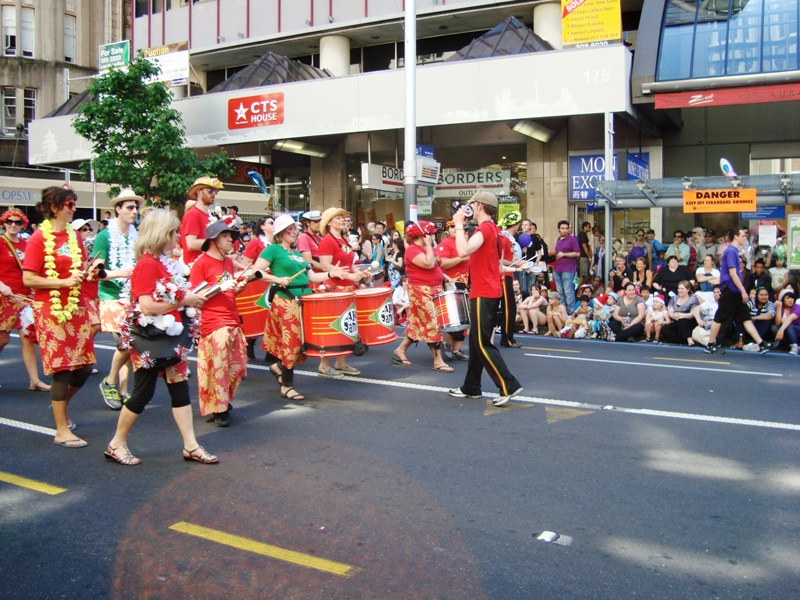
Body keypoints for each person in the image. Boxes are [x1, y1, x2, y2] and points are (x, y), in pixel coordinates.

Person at [104, 209, 215, 466]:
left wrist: (186, 299)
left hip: (169, 339)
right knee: (142, 393)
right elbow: (146, 306)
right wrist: (185, 299)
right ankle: (116, 444)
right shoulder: (147, 264)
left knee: (180, 391)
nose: (178, 236)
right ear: (162, 234)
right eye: (174, 232)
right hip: (150, 341)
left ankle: (191, 446)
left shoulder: (162, 262)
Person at [22, 186, 97, 448]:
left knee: (85, 367)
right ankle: (61, 429)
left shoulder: (74, 236)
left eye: (74, 204)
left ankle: (60, 409)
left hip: (75, 307)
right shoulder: (38, 239)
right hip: (51, 310)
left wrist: (89, 272)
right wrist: (63, 282)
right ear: (54, 208)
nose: (73, 209)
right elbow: (28, 277)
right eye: (69, 204)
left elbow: (80, 268)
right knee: (62, 370)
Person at [253, 215, 348, 400]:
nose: (293, 232)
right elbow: (256, 272)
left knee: (303, 343)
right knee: (292, 343)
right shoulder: (272, 250)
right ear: (280, 233)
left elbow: (312, 277)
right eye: (289, 229)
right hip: (286, 301)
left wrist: (331, 272)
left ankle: (279, 367)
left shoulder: (296, 254)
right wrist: (276, 279)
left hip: (303, 300)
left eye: (294, 229)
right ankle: (287, 386)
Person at [448, 191, 522, 406]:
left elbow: (462, 251)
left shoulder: (485, 229)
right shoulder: (496, 231)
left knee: (481, 343)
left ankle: (508, 385)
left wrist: (459, 224)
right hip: (489, 290)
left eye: (472, 205)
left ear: (479, 206)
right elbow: (498, 265)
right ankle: (471, 387)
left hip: (483, 292)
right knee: (475, 342)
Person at [189, 221, 248, 426]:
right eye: (225, 236)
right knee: (219, 366)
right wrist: (220, 286)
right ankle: (219, 408)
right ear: (213, 240)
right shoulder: (201, 263)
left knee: (238, 365)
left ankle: (221, 399)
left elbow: (227, 292)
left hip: (232, 318)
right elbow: (195, 296)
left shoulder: (228, 262)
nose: (231, 239)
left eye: (230, 236)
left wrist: (237, 288)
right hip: (213, 320)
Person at [94, 188, 142, 410]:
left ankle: (122, 391)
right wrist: (120, 273)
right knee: (126, 342)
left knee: (128, 346)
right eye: (130, 207)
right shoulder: (104, 236)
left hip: (132, 295)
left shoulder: (136, 234)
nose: (134, 211)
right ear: (118, 209)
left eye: (136, 207)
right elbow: (98, 270)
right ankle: (109, 381)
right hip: (112, 295)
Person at [391, 220, 453, 372]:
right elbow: (429, 264)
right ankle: (438, 360)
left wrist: (442, 274)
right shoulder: (413, 250)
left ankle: (400, 349)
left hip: (433, 288)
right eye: (431, 233)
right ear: (423, 235)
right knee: (433, 322)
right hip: (421, 290)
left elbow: (437, 262)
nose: (433, 236)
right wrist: (430, 246)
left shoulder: (425, 248)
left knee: (418, 323)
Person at [0, 209, 50, 392]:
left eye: (18, 222)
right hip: (4, 297)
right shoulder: (0, 242)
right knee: (3, 339)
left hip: (25, 297)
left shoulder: (26, 244)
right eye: (10, 221)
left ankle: (34, 380)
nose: (13, 225)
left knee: (27, 337)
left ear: (23, 224)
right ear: (4, 223)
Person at [705, 227, 776, 355]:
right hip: (731, 290)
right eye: (743, 235)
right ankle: (710, 344)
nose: (745, 238)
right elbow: (733, 274)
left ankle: (761, 344)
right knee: (719, 318)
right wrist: (743, 290)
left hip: (734, 290)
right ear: (735, 236)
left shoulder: (734, 251)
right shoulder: (731, 251)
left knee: (745, 318)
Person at [317, 207, 368, 377]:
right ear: (329, 222)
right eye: (338, 218)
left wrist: (359, 273)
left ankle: (341, 362)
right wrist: (348, 274)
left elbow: (349, 263)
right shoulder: (327, 241)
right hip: (335, 287)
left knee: (347, 326)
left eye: (342, 218)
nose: (342, 220)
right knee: (333, 327)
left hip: (347, 287)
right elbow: (325, 266)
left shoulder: (343, 241)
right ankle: (324, 365)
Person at [435, 220, 470, 361]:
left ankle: (457, 349)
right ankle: (447, 344)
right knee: (454, 318)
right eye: (452, 226)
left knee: (465, 318)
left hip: (466, 283)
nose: (456, 229)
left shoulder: (465, 243)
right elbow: (442, 262)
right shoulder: (446, 244)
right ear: (448, 229)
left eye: (459, 226)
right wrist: (461, 257)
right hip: (452, 284)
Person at [179, 176, 223, 268]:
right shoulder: (193, 214)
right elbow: (191, 244)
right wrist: (217, 242)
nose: (214, 193)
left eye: (216, 191)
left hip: (209, 266)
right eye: (210, 190)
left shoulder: (209, 215)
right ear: (199, 192)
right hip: (195, 268)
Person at [498, 211, 523, 348]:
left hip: (506, 274)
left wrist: (523, 263)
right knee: (509, 308)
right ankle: (507, 338)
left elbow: (510, 258)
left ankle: (507, 337)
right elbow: (504, 260)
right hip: (503, 276)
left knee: (509, 307)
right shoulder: (505, 238)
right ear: (517, 225)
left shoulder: (505, 237)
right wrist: (521, 264)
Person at [660, 281, 700, 345]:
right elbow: (670, 310)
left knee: (682, 320)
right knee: (665, 329)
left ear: (688, 289)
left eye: (682, 289)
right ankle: (682, 341)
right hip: (676, 319)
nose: (680, 290)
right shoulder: (674, 298)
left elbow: (693, 314)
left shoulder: (693, 299)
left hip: (688, 321)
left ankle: (689, 339)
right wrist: (674, 316)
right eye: (679, 288)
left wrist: (681, 315)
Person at [554, 220, 580, 314]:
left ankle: (570, 313)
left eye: (566, 228)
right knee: (560, 292)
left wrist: (564, 254)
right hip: (557, 268)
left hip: (568, 269)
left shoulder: (572, 239)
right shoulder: (558, 239)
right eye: (562, 228)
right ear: (558, 229)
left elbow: (577, 253)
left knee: (568, 292)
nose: (565, 230)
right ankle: (562, 312)